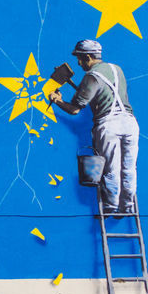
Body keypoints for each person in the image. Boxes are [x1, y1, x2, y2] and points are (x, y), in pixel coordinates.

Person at [47, 39, 139, 215]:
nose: (79, 64)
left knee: (111, 168)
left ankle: (111, 205)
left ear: (88, 56)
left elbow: (74, 110)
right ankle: (128, 205)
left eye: (80, 59)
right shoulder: (117, 69)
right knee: (128, 168)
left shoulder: (91, 77)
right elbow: (106, 94)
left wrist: (57, 100)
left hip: (109, 125)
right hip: (130, 123)